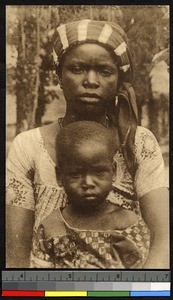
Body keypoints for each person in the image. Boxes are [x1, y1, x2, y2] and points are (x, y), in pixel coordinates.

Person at [6, 19, 169, 268]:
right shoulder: (28, 146)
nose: (91, 81)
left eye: (105, 71)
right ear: (59, 75)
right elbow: (16, 256)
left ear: (117, 79)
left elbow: (163, 239)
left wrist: (137, 290)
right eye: (78, 69)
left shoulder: (137, 143)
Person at [31, 121, 150, 268]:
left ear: (113, 171)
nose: (88, 182)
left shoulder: (128, 224)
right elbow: (40, 277)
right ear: (59, 176)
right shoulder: (51, 227)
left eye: (99, 172)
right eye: (75, 174)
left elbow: (143, 276)